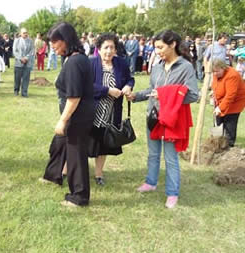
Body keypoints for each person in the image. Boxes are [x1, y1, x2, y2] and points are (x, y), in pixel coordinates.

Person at [127, 30, 198, 209]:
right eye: (155, 47)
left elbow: (193, 95)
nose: (157, 51)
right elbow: (153, 90)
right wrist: (136, 96)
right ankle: (151, 182)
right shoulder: (158, 66)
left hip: (172, 120)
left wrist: (169, 96)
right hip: (153, 116)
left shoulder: (186, 67)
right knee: (153, 154)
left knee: (171, 158)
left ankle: (172, 193)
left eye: (160, 47)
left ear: (172, 44)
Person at [42, 22, 95, 207]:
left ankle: (79, 196)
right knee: (59, 144)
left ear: (65, 40)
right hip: (79, 113)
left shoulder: (74, 62)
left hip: (77, 116)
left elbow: (74, 97)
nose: (53, 47)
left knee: (76, 154)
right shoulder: (75, 58)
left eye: (55, 43)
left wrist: (63, 120)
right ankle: (53, 175)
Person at [88, 33, 135, 185]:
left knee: (104, 144)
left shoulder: (121, 63)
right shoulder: (91, 63)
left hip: (112, 112)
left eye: (112, 47)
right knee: (86, 143)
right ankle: (70, 170)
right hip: (93, 111)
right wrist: (107, 90)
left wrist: (128, 86)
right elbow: (87, 86)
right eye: (105, 47)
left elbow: (130, 78)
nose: (109, 51)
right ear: (99, 49)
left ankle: (99, 174)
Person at [211, 59, 245, 147]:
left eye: (217, 71)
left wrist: (220, 108)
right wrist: (214, 93)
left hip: (234, 103)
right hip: (221, 101)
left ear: (223, 68)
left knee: (229, 124)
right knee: (218, 122)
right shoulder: (216, 73)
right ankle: (217, 143)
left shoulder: (232, 75)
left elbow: (230, 95)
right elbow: (216, 84)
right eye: (213, 71)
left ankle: (229, 146)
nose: (215, 73)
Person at [13, 28, 34, 97]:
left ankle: (24, 92)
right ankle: (16, 91)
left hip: (27, 63)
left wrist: (26, 58)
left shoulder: (30, 41)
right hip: (18, 63)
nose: (25, 34)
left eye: (26, 32)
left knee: (26, 78)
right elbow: (14, 51)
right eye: (24, 33)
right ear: (20, 33)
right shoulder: (17, 40)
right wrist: (21, 58)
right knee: (17, 78)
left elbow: (32, 51)